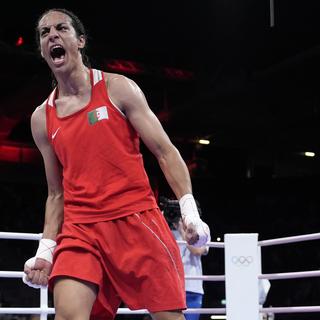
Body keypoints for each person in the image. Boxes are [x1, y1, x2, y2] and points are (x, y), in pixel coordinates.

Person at [22, 8, 210, 320]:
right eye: (44, 33)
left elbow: (165, 151)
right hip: (81, 229)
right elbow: (56, 193)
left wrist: (189, 212)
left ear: (80, 40)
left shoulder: (118, 88)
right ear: (42, 49)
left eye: (61, 28)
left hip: (136, 219)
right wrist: (45, 249)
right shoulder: (42, 118)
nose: (52, 34)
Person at [161, 198, 209, 320]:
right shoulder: (163, 229)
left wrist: (182, 231)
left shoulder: (202, 229)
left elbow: (197, 250)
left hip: (192, 287)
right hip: (170, 286)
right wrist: (161, 216)